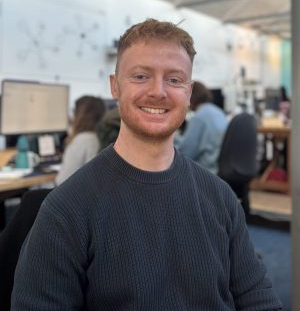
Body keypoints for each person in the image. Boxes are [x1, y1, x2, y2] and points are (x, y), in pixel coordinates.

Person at [11, 19, 282, 310]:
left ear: (188, 93)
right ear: (115, 87)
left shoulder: (221, 197)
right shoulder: (66, 210)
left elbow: (259, 300)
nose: (158, 91)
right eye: (141, 76)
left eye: (175, 79)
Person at [176, 81, 228, 174]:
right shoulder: (218, 112)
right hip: (218, 165)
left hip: (205, 169)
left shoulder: (199, 117)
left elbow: (186, 152)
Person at [56, 95, 106, 185]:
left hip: (75, 196)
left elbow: (62, 181)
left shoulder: (82, 140)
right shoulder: (100, 138)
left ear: (79, 115)